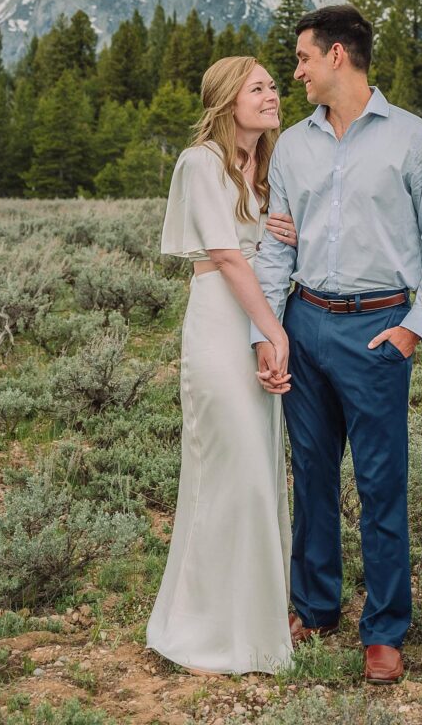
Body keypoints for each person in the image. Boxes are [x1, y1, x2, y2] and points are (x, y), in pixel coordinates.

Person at [251, 4, 422, 684]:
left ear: (337, 55)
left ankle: (384, 630)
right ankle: (314, 606)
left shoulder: (415, 138)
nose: (296, 72)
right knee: (309, 476)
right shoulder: (292, 145)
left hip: (377, 328)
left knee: (379, 483)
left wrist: (411, 328)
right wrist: (269, 332)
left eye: (302, 58)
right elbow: (276, 244)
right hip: (305, 321)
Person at [146, 55, 298, 676]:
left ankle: (256, 627)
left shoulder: (268, 166)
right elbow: (229, 259)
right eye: (258, 87)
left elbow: (264, 251)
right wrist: (273, 331)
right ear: (229, 98)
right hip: (219, 320)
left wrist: (284, 231)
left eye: (274, 86)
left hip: (259, 318)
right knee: (229, 470)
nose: (272, 95)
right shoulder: (201, 162)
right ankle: (203, 629)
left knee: (261, 471)